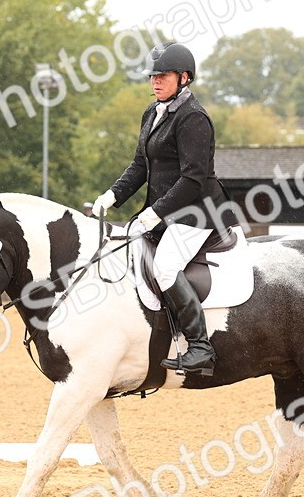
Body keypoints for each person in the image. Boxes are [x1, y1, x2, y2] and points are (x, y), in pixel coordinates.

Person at [91, 41, 239, 376]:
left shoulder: (193, 118)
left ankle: (200, 347)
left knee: (166, 267)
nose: (155, 81)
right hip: (167, 212)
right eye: (152, 75)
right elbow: (140, 166)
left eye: (163, 75)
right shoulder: (153, 113)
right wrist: (112, 196)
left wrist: (154, 212)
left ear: (184, 77)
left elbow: (194, 179)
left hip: (199, 213)